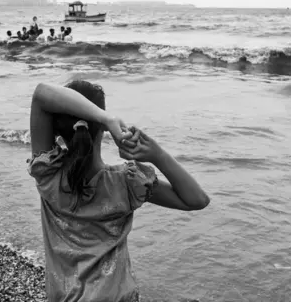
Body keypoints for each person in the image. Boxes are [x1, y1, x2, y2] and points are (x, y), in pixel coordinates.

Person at [26, 80, 210, 301]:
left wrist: (104, 117)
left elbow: (41, 95)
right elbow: (197, 200)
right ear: (102, 130)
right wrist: (157, 155)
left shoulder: (49, 176)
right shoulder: (126, 184)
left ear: (56, 127)